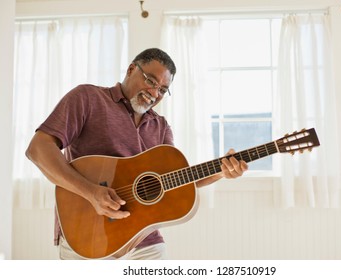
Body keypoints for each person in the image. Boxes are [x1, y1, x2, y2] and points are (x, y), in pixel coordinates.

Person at [25, 48, 248, 260]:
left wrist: (221, 171)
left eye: (162, 89)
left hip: (144, 240)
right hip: (88, 235)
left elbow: (176, 180)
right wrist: (92, 193)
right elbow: (38, 149)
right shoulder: (87, 98)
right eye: (151, 81)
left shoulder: (161, 126)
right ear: (131, 69)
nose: (154, 93)